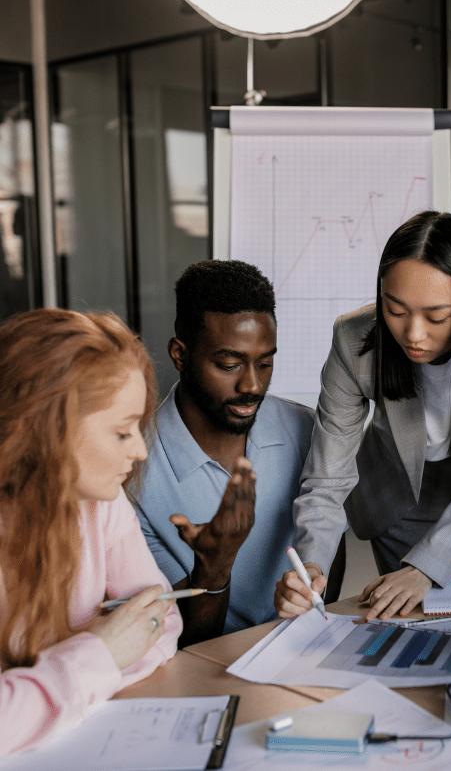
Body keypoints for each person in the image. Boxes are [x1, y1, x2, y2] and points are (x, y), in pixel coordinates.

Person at [275, 210, 451, 620]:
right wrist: (311, 565)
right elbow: (327, 475)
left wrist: (428, 565)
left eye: (437, 316)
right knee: (413, 623)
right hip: (401, 495)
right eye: (395, 310)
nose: (414, 334)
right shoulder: (353, 338)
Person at [0, 309, 182, 756]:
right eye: (122, 433)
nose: (140, 451)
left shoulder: (102, 502)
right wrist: (100, 654)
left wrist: (40, 697)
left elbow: (162, 620)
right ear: (44, 429)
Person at [132, 260, 340, 644]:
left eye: (265, 362)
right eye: (229, 365)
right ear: (180, 354)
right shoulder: (134, 471)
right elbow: (184, 641)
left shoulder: (306, 430)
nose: (252, 385)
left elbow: (330, 542)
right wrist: (216, 565)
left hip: (303, 649)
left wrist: (314, 590)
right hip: (206, 669)